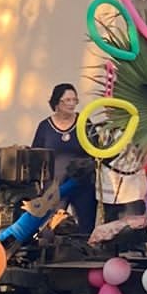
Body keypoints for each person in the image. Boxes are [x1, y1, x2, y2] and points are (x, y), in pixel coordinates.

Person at [31, 83, 96, 235]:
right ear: (57, 103)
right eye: (67, 100)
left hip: (82, 183)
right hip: (55, 186)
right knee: (52, 225)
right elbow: (36, 155)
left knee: (86, 226)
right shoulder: (45, 127)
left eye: (75, 100)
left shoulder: (83, 122)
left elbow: (96, 149)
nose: (72, 104)